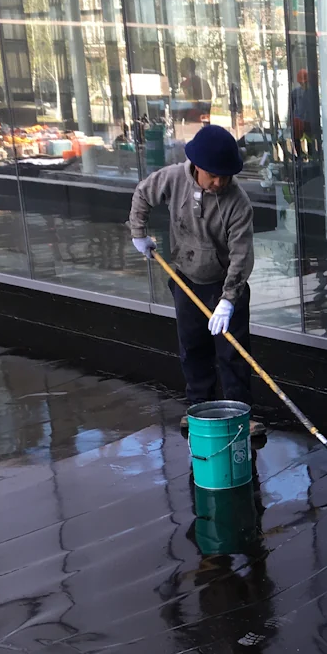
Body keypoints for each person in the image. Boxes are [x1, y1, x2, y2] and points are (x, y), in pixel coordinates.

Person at [126, 124, 263, 437]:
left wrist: (228, 300)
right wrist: (139, 234)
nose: (220, 182)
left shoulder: (238, 203)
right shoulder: (173, 178)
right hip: (187, 278)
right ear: (198, 168)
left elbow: (242, 256)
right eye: (214, 175)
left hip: (225, 284)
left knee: (232, 352)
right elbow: (143, 195)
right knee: (193, 346)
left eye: (226, 176)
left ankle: (240, 413)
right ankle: (199, 408)